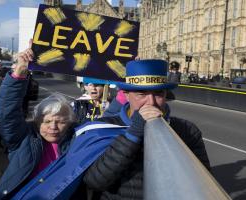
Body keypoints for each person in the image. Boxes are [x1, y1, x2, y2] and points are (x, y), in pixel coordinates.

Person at [80, 59, 211, 199]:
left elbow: (204, 185)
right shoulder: (105, 128)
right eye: (141, 94)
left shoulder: (187, 131)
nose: (151, 102)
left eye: (158, 94)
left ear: (166, 94)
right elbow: (94, 182)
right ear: (126, 95)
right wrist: (132, 135)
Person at [0, 47, 77, 199]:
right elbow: (5, 113)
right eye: (47, 121)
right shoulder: (23, 139)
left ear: (70, 123)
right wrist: (19, 72)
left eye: (61, 122)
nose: (53, 127)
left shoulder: (76, 141)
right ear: (37, 122)